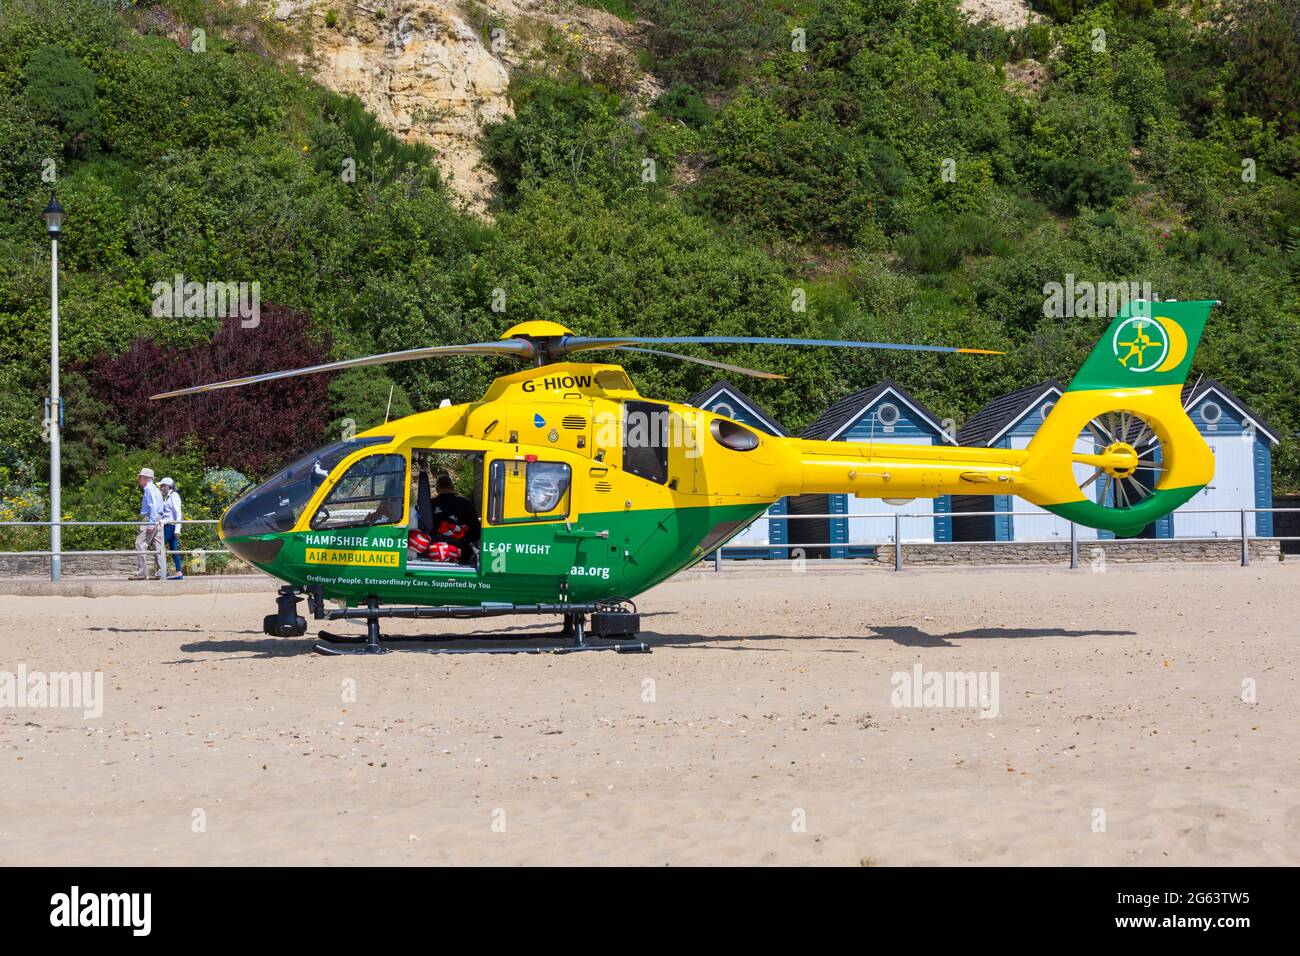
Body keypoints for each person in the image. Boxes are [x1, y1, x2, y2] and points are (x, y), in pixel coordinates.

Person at [427, 473, 480, 564]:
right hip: (463, 553)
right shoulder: (466, 503)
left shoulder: (429, 505)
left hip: (435, 551)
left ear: (437, 489)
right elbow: (476, 530)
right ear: (452, 488)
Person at [131, 467, 166, 580]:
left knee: (139, 544)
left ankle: (142, 573)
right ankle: (161, 572)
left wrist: (151, 523)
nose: (138, 479)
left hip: (151, 518)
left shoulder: (148, 489)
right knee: (158, 545)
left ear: (146, 478)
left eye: (140, 477)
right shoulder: (156, 489)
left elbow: (153, 506)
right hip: (158, 518)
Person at [159, 477, 184, 580]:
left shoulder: (174, 496)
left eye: (162, 486)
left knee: (159, 547)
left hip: (170, 525)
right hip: (169, 525)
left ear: (167, 486)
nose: (161, 488)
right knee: (174, 549)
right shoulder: (168, 497)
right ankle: (179, 573)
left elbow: (178, 513)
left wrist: (177, 530)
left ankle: (163, 572)